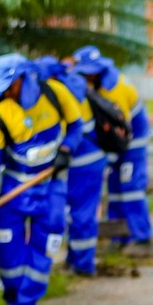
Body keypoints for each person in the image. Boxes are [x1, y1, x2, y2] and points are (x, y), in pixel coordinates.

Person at [0, 53, 83, 305]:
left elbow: (76, 125)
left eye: (8, 86)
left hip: (51, 185)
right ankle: (14, 300)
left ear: (23, 79)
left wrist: (66, 151)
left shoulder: (55, 93)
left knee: (46, 242)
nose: (4, 94)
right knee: (6, 247)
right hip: (15, 186)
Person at [77, 47, 153, 252]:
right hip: (118, 144)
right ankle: (120, 239)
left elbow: (121, 131)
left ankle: (142, 239)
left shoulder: (115, 89)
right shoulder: (99, 85)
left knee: (131, 190)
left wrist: (107, 158)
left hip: (132, 144)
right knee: (115, 190)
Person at [57, 48, 113, 277]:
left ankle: (83, 264)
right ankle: (76, 259)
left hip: (84, 164)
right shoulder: (78, 90)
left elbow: (73, 131)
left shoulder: (70, 94)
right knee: (78, 214)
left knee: (82, 215)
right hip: (84, 163)